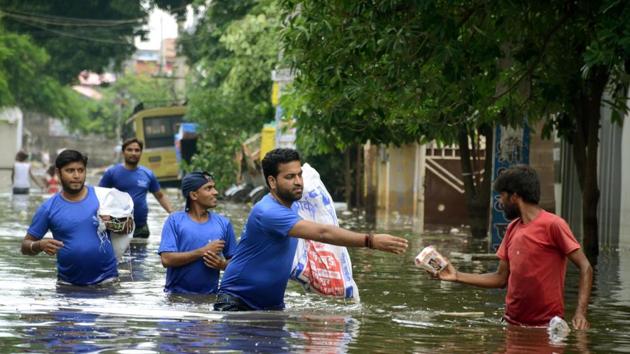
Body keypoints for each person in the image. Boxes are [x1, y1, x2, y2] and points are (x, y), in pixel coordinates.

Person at [214, 148, 409, 311]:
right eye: (290, 177)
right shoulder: (268, 212)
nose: (298, 181)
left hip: (270, 306)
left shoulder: (289, 208)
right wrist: (370, 240)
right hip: (238, 303)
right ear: (272, 182)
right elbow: (323, 233)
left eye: (299, 174)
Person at [435, 165, 593, 329]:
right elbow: (501, 278)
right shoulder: (512, 228)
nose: (500, 201)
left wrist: (580, 313)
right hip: (512, 325)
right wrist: (456, 276)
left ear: (515, 196)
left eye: (502, 196)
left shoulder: (554, 225)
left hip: (545, 327)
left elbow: (585, 267)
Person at [20, 150, 119, 286]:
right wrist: (39, 245)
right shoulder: (48, 208)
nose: (76, 175)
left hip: (107, 282)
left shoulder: (103, 198)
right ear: (58, 172)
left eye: (80, 170)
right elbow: (25, 246)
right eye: (70, 170)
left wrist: (114, 223)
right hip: (68, 286)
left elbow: (128, 227)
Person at [158, 171, 237, 294]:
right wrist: (203, 251)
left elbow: (237, 264)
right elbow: (166, 259)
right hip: (176, 298)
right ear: (194, 195)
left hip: (210, 299)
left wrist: (222, 264)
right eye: (208, 188)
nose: (215, 192)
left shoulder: (224, 224)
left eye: (214, 187)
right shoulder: (174, 221)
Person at [99, 138, 174, 238]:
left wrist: (172, 213)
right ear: (123, 152)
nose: (133, 153)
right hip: (116, 226)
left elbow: (160, 196)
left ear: (141, 153)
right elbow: (99, 195)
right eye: (129, 150)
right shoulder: (112, 173)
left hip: (141, 227)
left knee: (142, 253)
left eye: (137, 150)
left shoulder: (148, 174)